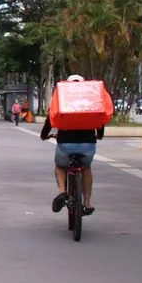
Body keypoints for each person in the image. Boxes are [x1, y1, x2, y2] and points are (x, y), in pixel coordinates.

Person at [40, 75, 106, 216]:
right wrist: (99, 135)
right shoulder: (90, 100)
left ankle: (62, 191)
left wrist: (44, 135)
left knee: (60, 166)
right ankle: (87, 203)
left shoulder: (63, 100)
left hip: (65, 143)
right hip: (88, 144)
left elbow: (50, 119)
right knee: (86, 168)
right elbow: (100, 118)